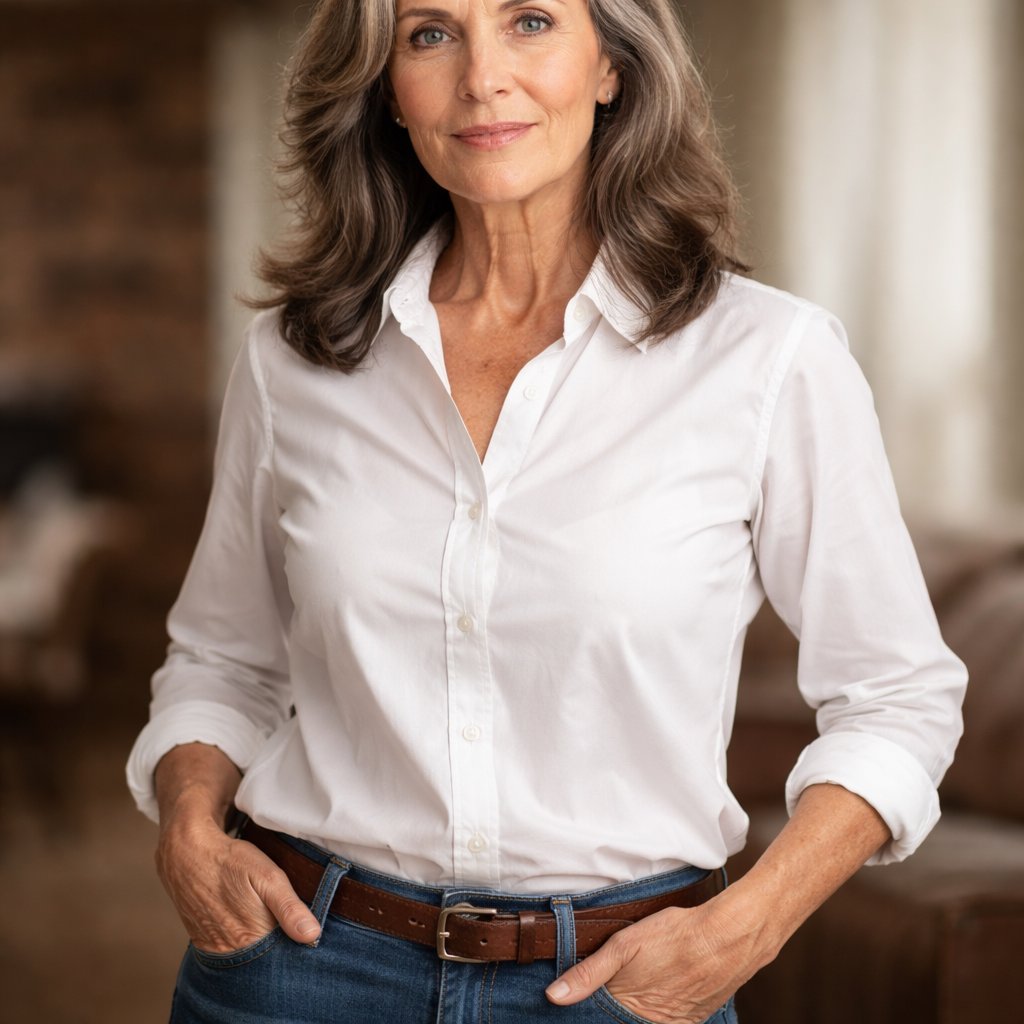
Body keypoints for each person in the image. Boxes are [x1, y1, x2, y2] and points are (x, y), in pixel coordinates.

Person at [126, 1, 967, 1022]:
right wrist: (189, 828)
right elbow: (222, 658)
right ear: (388, 89)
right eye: (430, 33)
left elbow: (896, 696)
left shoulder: (768, 358)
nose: (483, 77)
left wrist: (746, 928)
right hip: (301, 967)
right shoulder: (296, 358)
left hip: (625, 986)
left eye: (529, 21)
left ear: (611, 66)